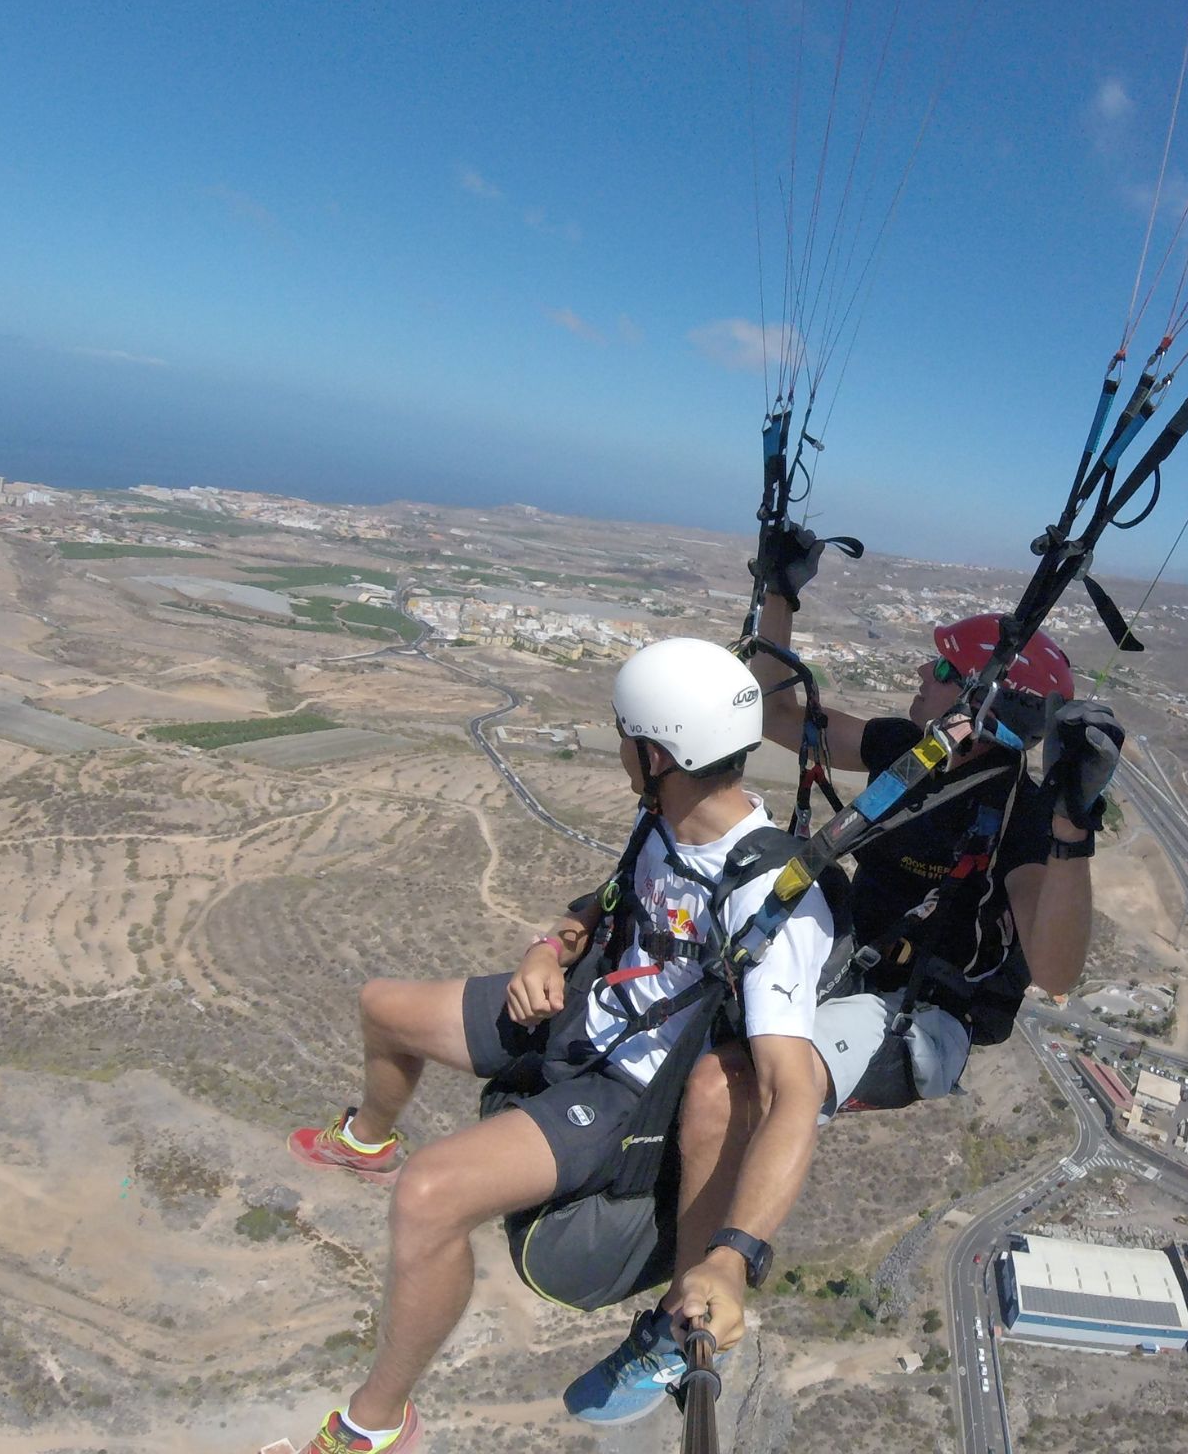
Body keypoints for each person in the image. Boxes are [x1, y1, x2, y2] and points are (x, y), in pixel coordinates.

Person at [565, 528, 1123, 1423]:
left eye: (941, 671)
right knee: (677, 1009)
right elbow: (786, 720)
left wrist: (1073, 820)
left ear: (990, 701)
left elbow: (1054, 970)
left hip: (918, 1017)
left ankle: (687, 1318)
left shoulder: (1020, 814)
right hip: (844, 969)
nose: (922, 677)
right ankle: (638, 1203)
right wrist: (778, 590)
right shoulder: (919, 749)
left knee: (724, 1084)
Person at [285, 638, 835, 1454]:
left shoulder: (775, 895)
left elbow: (795, 1090)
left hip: (624, 1088)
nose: (619, 751)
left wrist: (732, 1256)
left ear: (656, 753)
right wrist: (551, 945)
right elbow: (615, 900)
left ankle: (377, 1422)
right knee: (384, 1010)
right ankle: (368, 1138)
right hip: (580, 1008)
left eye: (626, 737)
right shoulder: (668, 819)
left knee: (430, 1197)